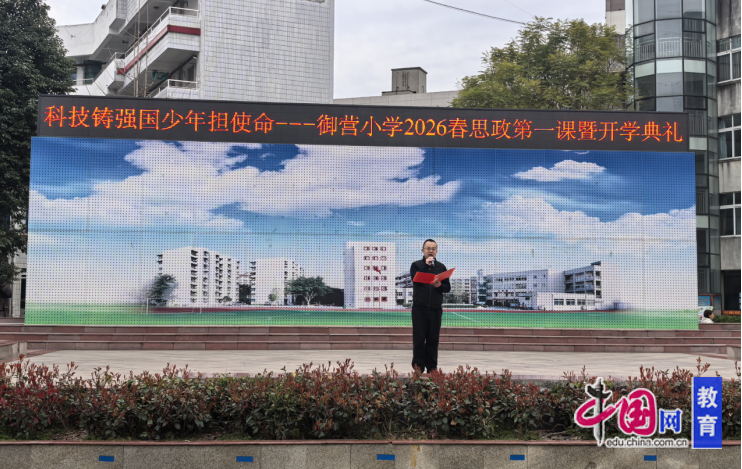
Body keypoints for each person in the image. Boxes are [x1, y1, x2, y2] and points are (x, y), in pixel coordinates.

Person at [410, 239, 451, 373]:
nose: (431, 251)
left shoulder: (441, 267)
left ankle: (432, 367)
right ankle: (418, 367)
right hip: (419, 308)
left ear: (436, 251)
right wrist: (426, 266)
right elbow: (415, 279)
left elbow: (447, 288)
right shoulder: (416, 265)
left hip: (435, 309)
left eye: (433, 249)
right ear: (423, 251)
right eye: (428, 248)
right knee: (419, 339)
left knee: (433, 339)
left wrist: (440, 286)